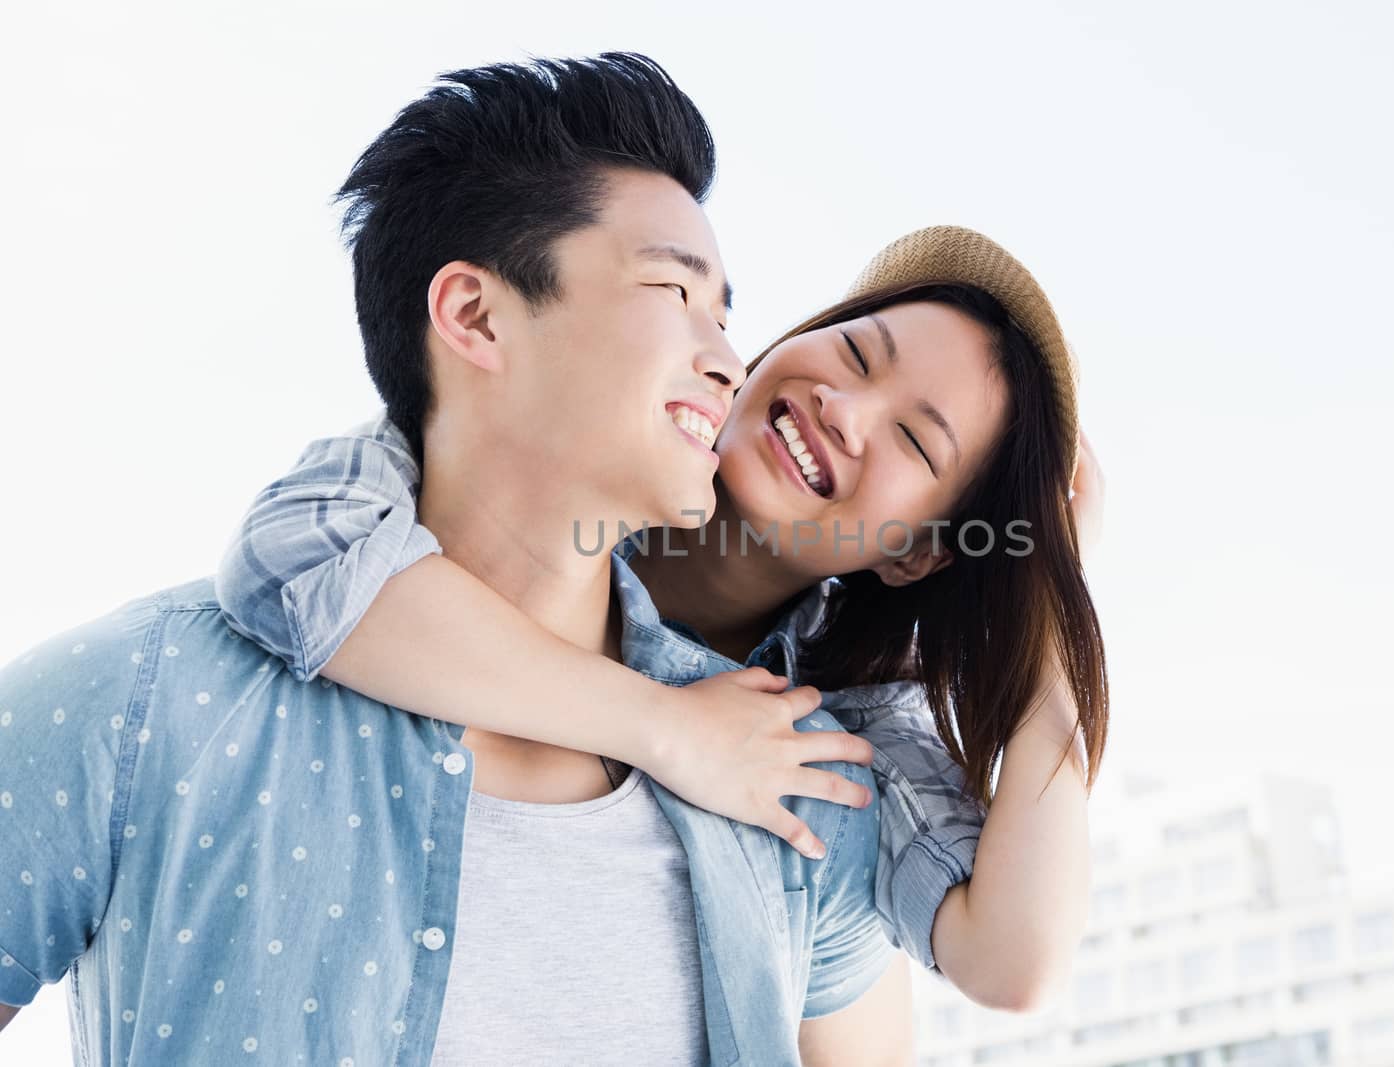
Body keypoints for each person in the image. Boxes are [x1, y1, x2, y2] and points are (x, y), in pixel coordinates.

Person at [0, 54, 901, 1066]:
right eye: (672, 290)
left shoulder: (786, 772)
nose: (726, 358)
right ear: (473, 315)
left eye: (724, 315)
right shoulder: (142, 701)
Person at [214, 216, 1111, 1032]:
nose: (845, 408)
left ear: (916, 555)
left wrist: (1053, 625)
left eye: (916, 443)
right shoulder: (561, 443)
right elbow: (293, 556)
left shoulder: (849, 719)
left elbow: (1012, 960)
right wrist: (668, 728)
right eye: (857, 356)